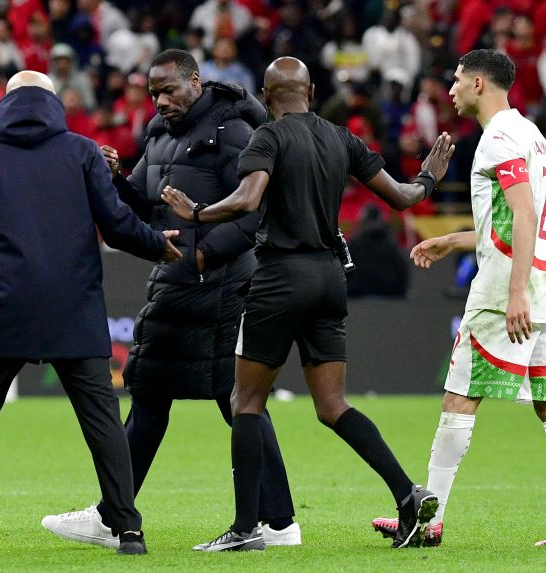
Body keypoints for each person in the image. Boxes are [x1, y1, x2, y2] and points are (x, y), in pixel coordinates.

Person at [161, 56, 455, 551]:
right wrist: (429, 176)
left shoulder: (268, 137)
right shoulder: (342, 138)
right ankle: (407, 493)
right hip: (330, 279)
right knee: (333, 405)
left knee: (245, 402)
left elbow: (248, 198)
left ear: (266, 95)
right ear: (312, 91)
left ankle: (245, 528)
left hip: (280, 278)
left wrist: (197, 213)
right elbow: (405, 197)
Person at [41, 49, 301, 549]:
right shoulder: (159, 135)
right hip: (175, 285)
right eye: (154, 93)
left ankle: (277, 521)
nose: (160, 101)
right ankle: (115, 514)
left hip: (224, 287)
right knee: (152, 394)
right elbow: (143, 206)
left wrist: (204, 255)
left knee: (238, 401)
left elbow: (256, 212)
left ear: (195, 82)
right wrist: (116, 178)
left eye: (169, 90)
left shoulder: (234, 132)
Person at [0, 70, 181, 557]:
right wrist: (155, 245)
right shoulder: (81, 152)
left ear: (5, 103)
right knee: (102, 419)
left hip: (4, 308)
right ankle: (129, 531)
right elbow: (117, 224)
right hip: (73, 307)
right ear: (53, 102)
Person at [372, 49, 546, 547]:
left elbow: (522, 215)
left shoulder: (497, 138)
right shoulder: (532, 137)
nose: (451, 89)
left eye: (457, 80)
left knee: (459, 396)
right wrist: (454, 240)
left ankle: (427, 521)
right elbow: (514, 219)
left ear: (479, 83)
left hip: (506, 290)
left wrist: (515, 292)